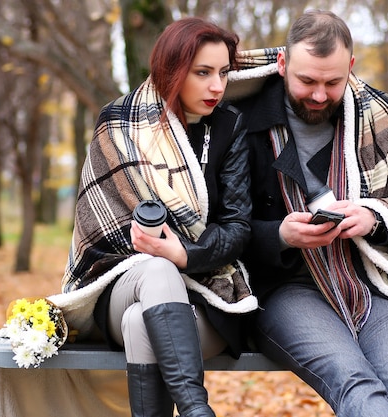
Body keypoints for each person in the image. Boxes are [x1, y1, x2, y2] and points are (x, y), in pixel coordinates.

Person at [232, 10, 388, 417]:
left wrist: (375, 216)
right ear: (282, 64)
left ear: (351, 67)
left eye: (333, 82)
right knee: (355, 384)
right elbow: (218, 226)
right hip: (285, 289)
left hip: (373, 285)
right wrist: (280, 236)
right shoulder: (240, 123)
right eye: (306, 81)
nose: (319, 95)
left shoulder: (381, 117)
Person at [61, 17, 257, 417]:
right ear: (172, 70)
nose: (217, 87)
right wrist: (159, 256)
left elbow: (238, 228)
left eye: (223, 73)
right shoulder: (119, 123)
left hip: (206, 295)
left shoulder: (229, 126)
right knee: (155, 271)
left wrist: (184, 254)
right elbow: (98, 225)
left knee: (140, 323)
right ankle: (197, 411)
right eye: (203, 73)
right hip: (122, 282)